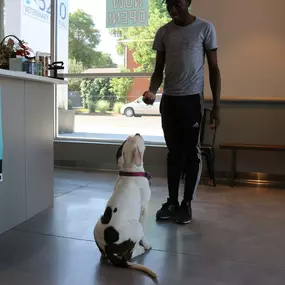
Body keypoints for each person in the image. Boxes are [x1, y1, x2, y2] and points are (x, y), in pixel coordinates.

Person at [143, 0, 221, 224]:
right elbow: (159, 70)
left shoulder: (205, 28)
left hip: (191, 100)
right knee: (174, 153)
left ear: (188, 2)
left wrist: (217, 105)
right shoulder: (164, 32)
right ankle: (172, 201)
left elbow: (214, 69)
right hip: (169, 100)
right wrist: (152, 91)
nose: (173, 10)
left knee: (190, 153)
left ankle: (186, 204)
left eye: (178, 4)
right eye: (169, 5)